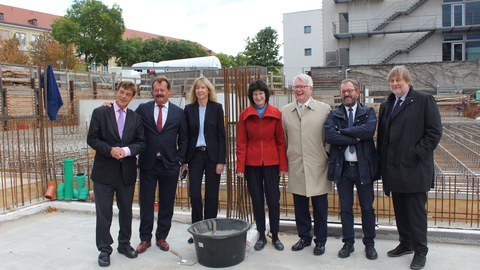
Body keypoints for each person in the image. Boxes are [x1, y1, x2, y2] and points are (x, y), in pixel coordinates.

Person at [377, 65, 442, 270]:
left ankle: (420, 250)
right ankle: (406, 244)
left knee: (415, 213)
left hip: (413, 169)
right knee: (401, 211)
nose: (395, 84)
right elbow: (383, 137)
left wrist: (414, 153)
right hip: (394, 169)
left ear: (408, 82)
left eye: (399, 81)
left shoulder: (423, 101)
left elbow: (434, 133)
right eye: (392, 81)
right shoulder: (388, 104)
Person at [87, 81, 145, 267]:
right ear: (116, 92)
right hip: (104, 173)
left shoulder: (136, 118)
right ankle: (104, 249)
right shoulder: (100, 113)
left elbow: (141, 143)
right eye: (121, 92)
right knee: (104, 213)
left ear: (132, 97)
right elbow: (92, 138)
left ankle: (124, 244)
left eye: (128, 94)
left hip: (126, 173)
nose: (123, 96)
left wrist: (126, 151)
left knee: (126, 211)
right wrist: (110, 150)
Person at [324, 79, 379, 260]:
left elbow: (368, 131)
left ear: (357, 92)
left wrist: (344, 132)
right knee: (345, 208)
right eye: (343, 92)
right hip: (343, 168)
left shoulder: (368, 111)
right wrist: (355, 137)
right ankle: (348, 243)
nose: (346, 95)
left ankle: (369, 244)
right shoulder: (334, 114)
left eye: (349, 91)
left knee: (367, 208)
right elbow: (330, 136)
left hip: (364, 167)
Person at [134, 76, 188, 253]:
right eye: (156, 90)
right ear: (152, 91)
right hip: (148, 164)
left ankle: (161, 237)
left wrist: (179, 160)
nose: (159, 93)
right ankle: (145, 238)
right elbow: (129, 123)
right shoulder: (142, 109)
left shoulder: (179, 113)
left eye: (162, 90)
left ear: (169, 91)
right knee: (146, 202)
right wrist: (109, 106)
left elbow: (184, 140)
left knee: (166, 203)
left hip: (169, 165)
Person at [281, 74, 332, 256]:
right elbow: (284, 139)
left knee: (320, 206)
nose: (299, 90)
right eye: (296, 87)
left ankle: (320, 240)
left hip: (318, 165)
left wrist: (325, 154)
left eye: (302, 86)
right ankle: (304, 237)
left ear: (311, 88)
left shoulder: (324, 109)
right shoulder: (286, 111)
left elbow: (329, 137)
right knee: (300, 205)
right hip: (297, 165)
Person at [236, 79, 288, 252]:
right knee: (257, 200)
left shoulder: (276, 114)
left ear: (266, 95)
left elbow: (281, 142)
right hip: (252, 164)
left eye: (261, 93)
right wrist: (240, 167)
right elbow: (241, 142)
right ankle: (260, 235)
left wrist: (282, 166)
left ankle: (275, 235)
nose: (258, 97)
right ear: (251, 96)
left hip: (272, 164)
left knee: (273, 201)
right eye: (255, 94)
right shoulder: (245, 115)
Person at [184, 76, 226, 243]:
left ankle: (209, 229)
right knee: (194, 194)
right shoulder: (189, 109)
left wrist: (221, 161)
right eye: (197, 88)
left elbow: (221, 137)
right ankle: (197, 230)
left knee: (211, 195)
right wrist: (184, 161)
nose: (200, 90)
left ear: (209, 90)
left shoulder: (217, 108)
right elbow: (185, 136)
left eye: (203, 87)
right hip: (195, 156)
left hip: (212, 156)